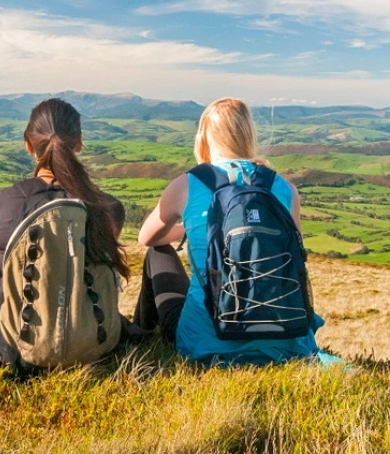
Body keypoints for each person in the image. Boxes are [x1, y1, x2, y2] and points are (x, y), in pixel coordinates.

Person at [135, 97, 324, 365]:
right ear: (248, 135)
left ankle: (141, 336)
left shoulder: (187, 184)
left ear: (204, 137)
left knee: (157, 252)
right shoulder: (285, 189)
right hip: (289, 341)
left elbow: (146, 237)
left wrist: (188, 228)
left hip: (205, 344)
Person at [0, 97, 130, 360]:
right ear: (79, 142)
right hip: (95, 342)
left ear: (28, 144)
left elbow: (2, 271)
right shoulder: (109, 208)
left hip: (18, 347)